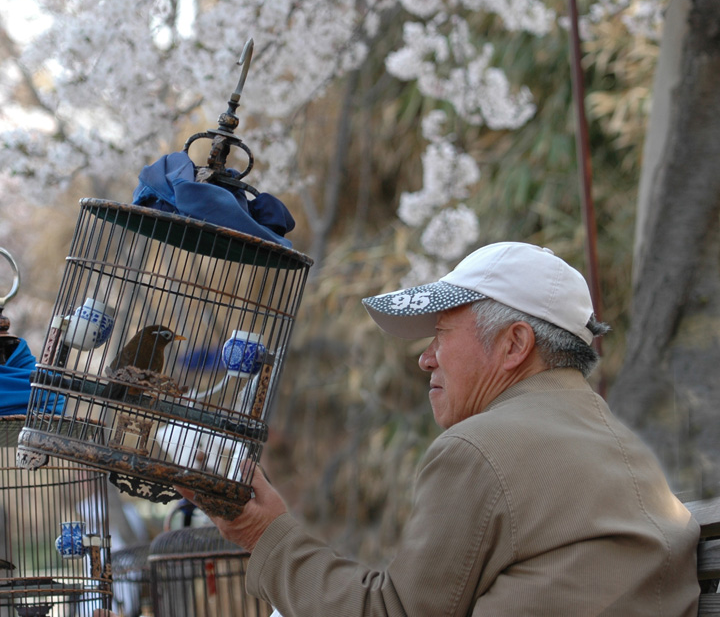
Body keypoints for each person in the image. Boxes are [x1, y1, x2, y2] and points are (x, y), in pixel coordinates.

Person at [99, 242, 702, 616]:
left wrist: (266, 533)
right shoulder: (617, 443)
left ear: (515, 344)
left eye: (441, 335)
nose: (425, 358)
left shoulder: (479, 449)